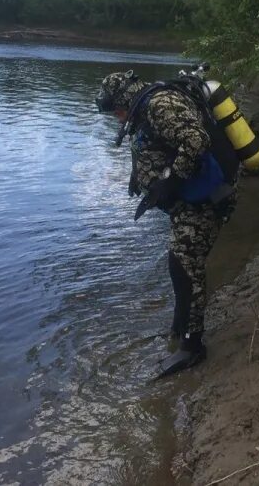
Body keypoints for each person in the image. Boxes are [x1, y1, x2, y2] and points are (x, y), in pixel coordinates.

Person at [95, 70, 238, 377]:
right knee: (181, 264)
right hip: (189, 201)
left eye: (116, 108)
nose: (116, 115)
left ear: (124, 98)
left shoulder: (159, 104)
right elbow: (156, 144)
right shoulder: (143, 109)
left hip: (205, 200)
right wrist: (139, 177)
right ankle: (181, 326)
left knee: (185, 266)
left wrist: (170, 180)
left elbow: (196, 141)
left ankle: (192, 347)